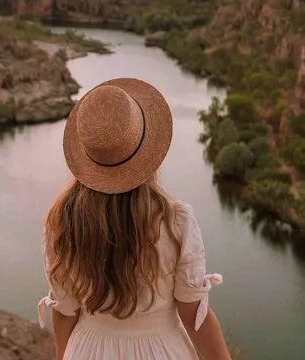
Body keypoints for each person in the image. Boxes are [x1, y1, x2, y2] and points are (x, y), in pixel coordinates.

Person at [38, 77, 232, 360]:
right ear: (146, 152)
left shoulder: (60, 221)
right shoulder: (175, 220)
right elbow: (193, 315)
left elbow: (64, 311)